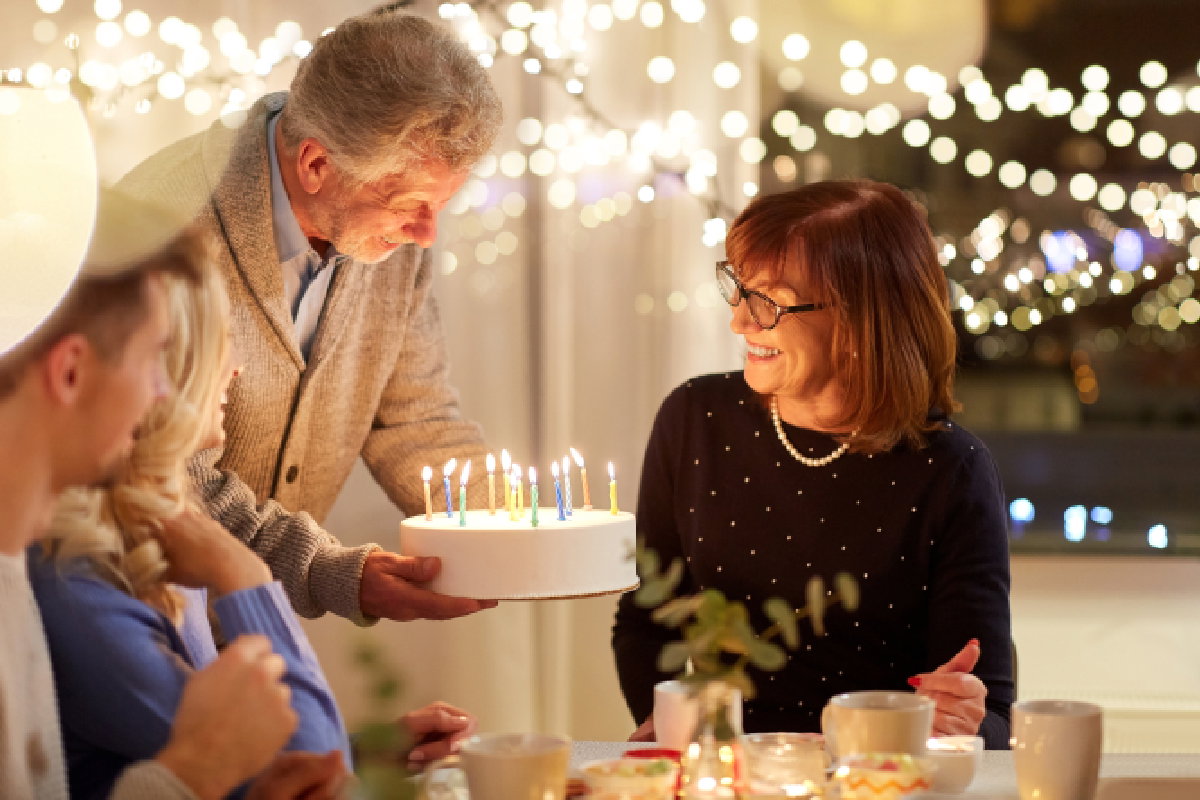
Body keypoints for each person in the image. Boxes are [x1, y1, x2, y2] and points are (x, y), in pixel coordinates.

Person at [116, 8, 504, 625]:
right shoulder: (164, 227)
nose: (426, 234)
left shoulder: (390, 240)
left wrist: (516, 530)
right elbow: (161, 472)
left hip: (257, 618)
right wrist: (323, 570)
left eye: (439, 205)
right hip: (142, 613)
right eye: (409, 204)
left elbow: (413, 416)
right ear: (316, 165)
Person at [612, 180, 1014, 748]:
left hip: (873, 777)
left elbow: (992, 715)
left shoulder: (953, 470)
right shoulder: (695, 418)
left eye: (769, 302)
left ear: (860, 320)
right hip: (725, 774)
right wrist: (676, 723)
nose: (740, 322)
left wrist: (961, 719)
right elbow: (645, 620)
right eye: (739, 289)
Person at [0, 190, 328, 799]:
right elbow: (307, 768)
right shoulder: (65, 580)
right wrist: (245, 577)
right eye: (155, 355)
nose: (162, 391)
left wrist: (370, 748)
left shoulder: (18, 575)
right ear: (70, 372)